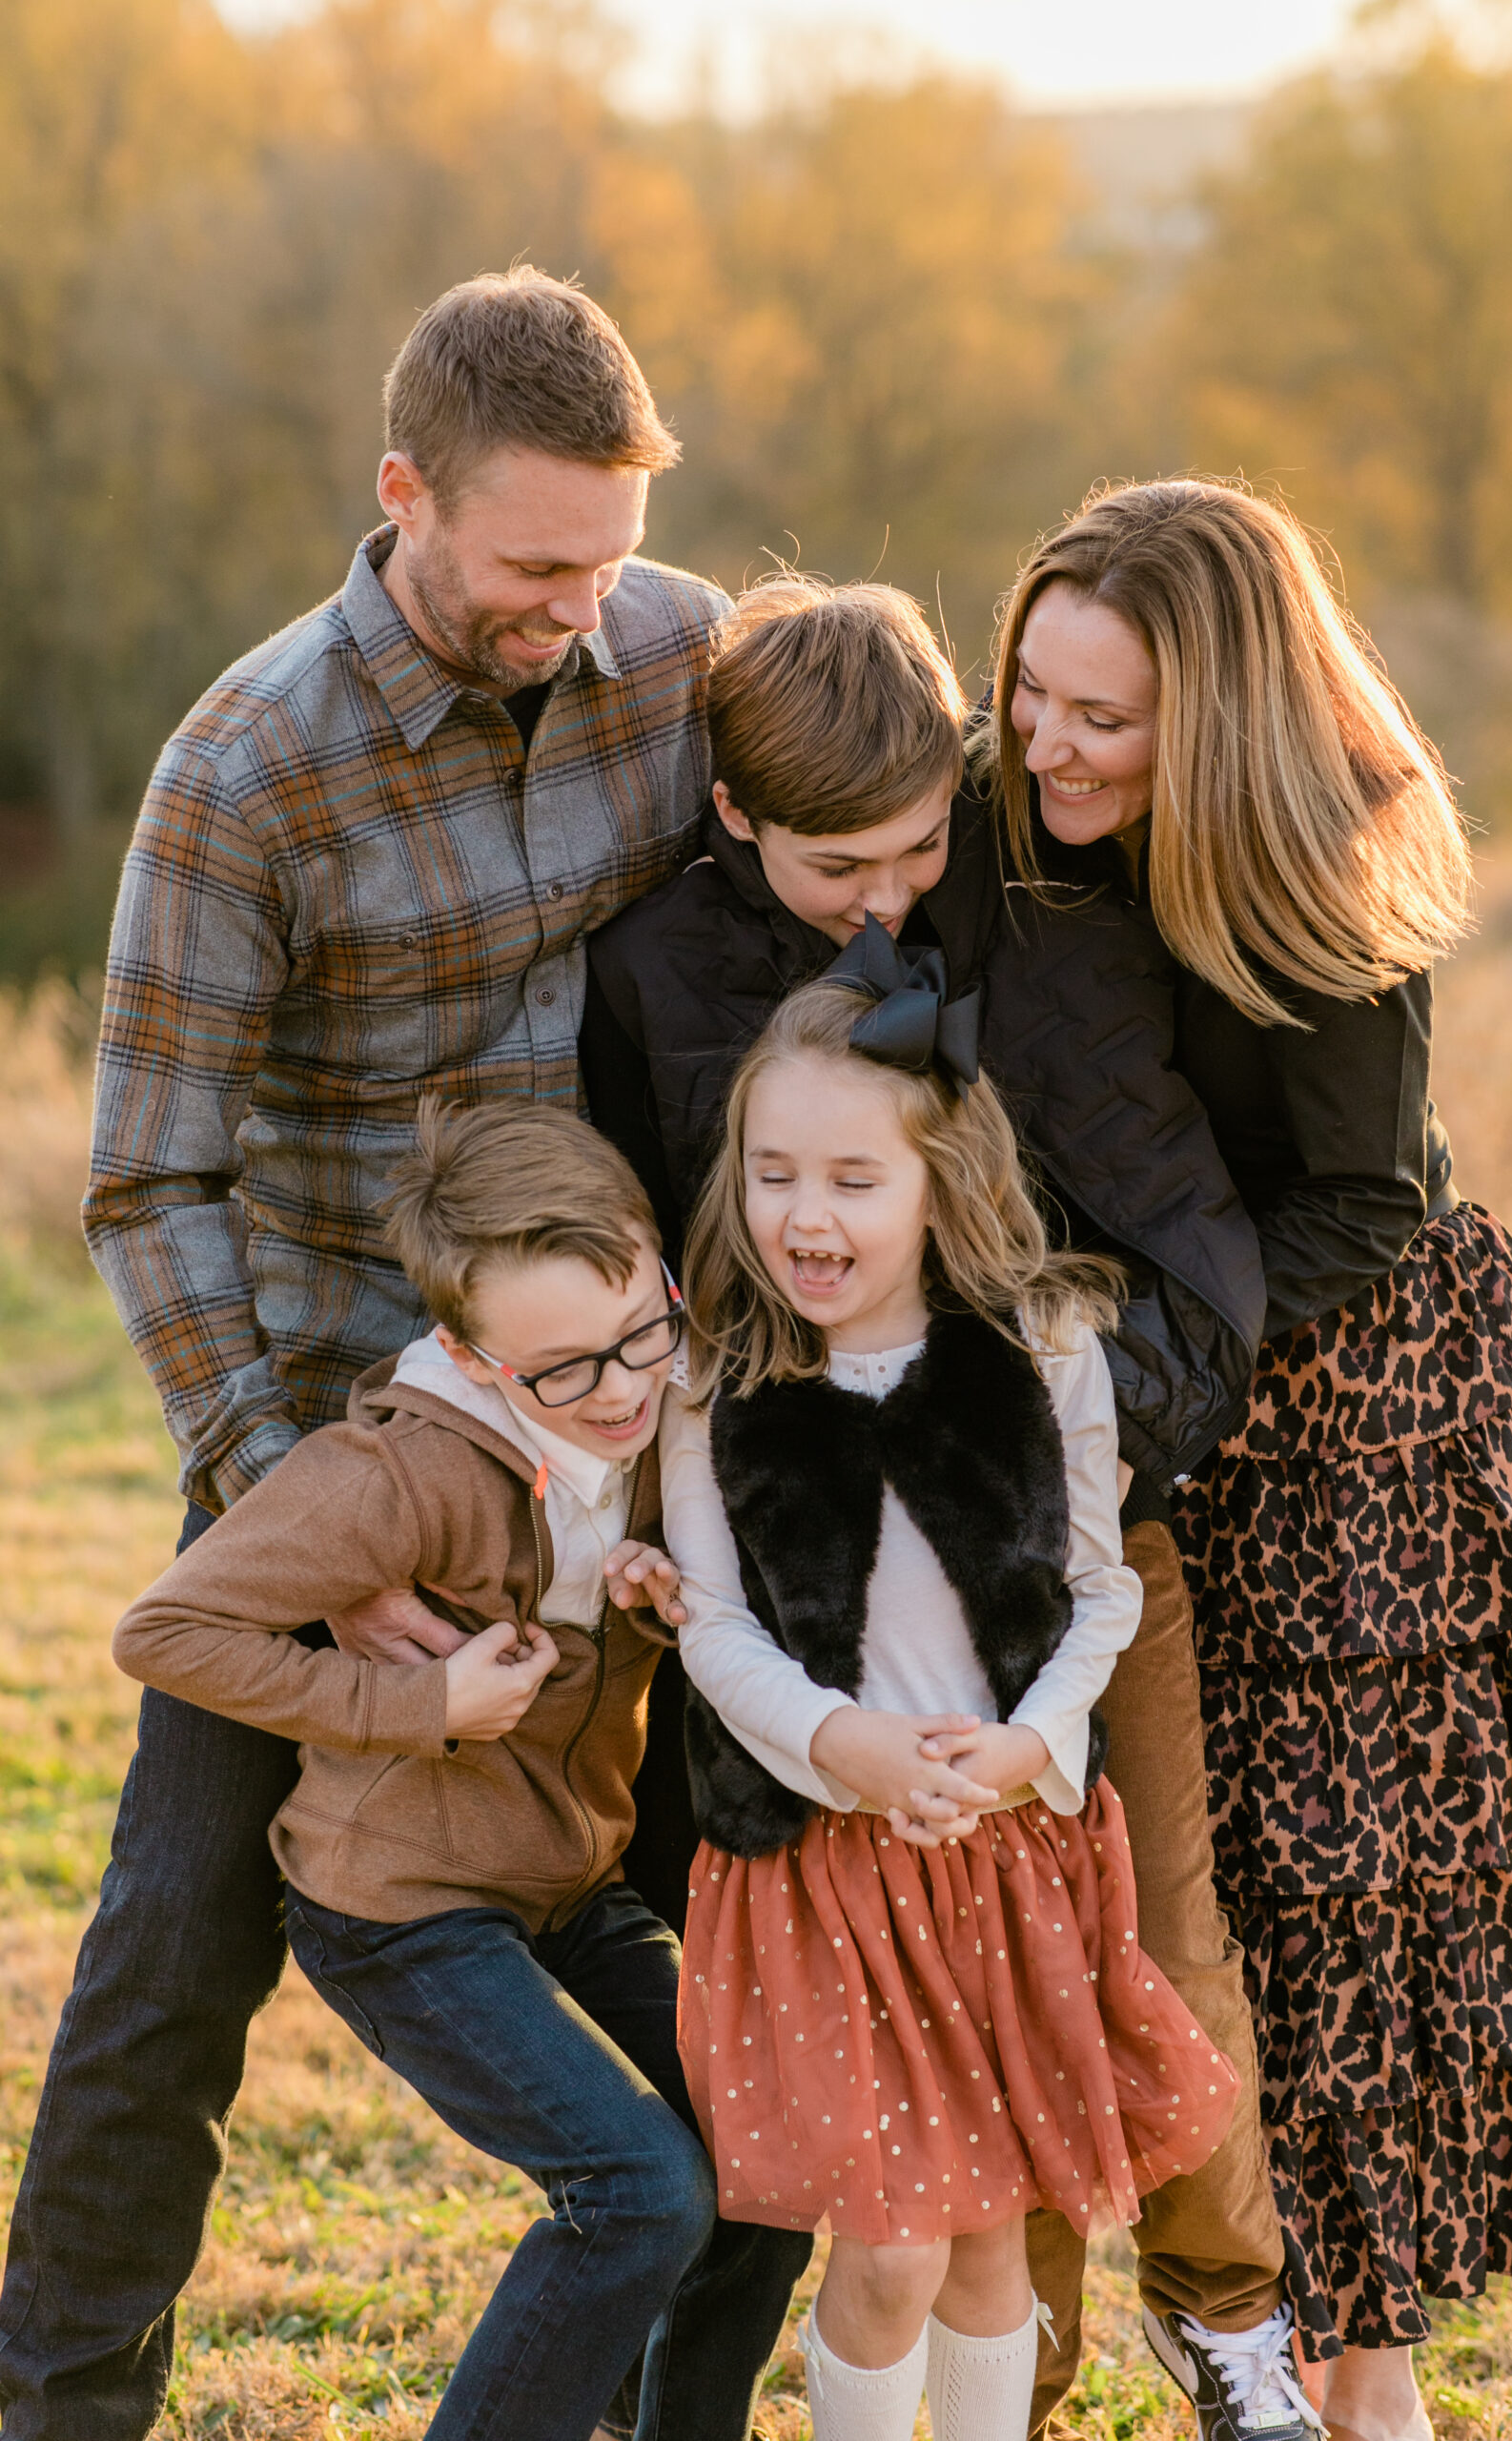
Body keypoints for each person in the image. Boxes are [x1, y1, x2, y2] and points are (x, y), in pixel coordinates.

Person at [0, 267, 735, 2441]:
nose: (576, 607)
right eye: (531, 564)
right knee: (168, 1959)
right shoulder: (247, 767)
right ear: (399, 492)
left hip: (617, 1412)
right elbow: (149, 1181)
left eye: (606, 556)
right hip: (349, 1433)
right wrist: (294, 1520)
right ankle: (60, 2403)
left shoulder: (679, 650)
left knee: (674, 1918)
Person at [586, 577, 1312, 2440]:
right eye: (845, 861)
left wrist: (1044, 1431)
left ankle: (1212, 2317)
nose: (894, 891)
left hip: (1038, 1538)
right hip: (802, 1585)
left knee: (1124, 1965)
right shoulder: (655, 976)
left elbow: (1165, 1245)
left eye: (921, 840)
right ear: (736, 817)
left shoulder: (1020, 899)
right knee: (885, 2171)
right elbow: (666, 1266)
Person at [978, 475, 1512, 2441]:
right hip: (1156, 1385)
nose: (1048, 742)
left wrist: (1177, 1365)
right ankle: (1149, 2306)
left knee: (1346, 1894)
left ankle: (1361, 2377)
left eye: (1104, 716)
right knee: (1186, 1883)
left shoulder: (1318, 853)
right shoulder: (1021, 812)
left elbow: (1354, 1201)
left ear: (1219, 717)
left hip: (1352, 1407)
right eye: (1031, 692)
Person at [107, 1098, 807, 2441]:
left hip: (568, 1878)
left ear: (661, 1277)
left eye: (637, 1338)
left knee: (768, 2156)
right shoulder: (395, 1472)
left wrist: (665, 1597)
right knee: (643, 2189)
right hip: (404, 1907)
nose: (613, 1390)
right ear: (471, 1358)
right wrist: (416, 1700)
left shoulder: (668, 1416)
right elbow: (166, 1630)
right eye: (558, 1372)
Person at [660, 965, 1255, 2441]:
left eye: (855, 1178)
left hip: (1006, 1854)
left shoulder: (1043, 1350)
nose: (808, 1217)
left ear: (941, 1180)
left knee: (993, 2242)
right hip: (823, 1874)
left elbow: (1101, 1590)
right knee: (894, 2246)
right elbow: (713, 1623)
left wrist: (1029, 1747)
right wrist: (838, 1742)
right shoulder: (715, 1373)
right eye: (774, 1173)